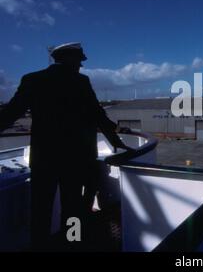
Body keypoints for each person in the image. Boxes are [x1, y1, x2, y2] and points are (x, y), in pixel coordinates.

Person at [0, 42, 130, 251]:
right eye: (79, 60)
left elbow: (11, 113)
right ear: (68, 58)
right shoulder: (81, 82)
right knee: (73, 209)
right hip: (75, 161)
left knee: (41, 210)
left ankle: (39, 248)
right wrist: (118, 141)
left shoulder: (32, 79)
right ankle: (72, 245)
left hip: (44, 160)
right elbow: (98, 115)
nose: (81, 65)